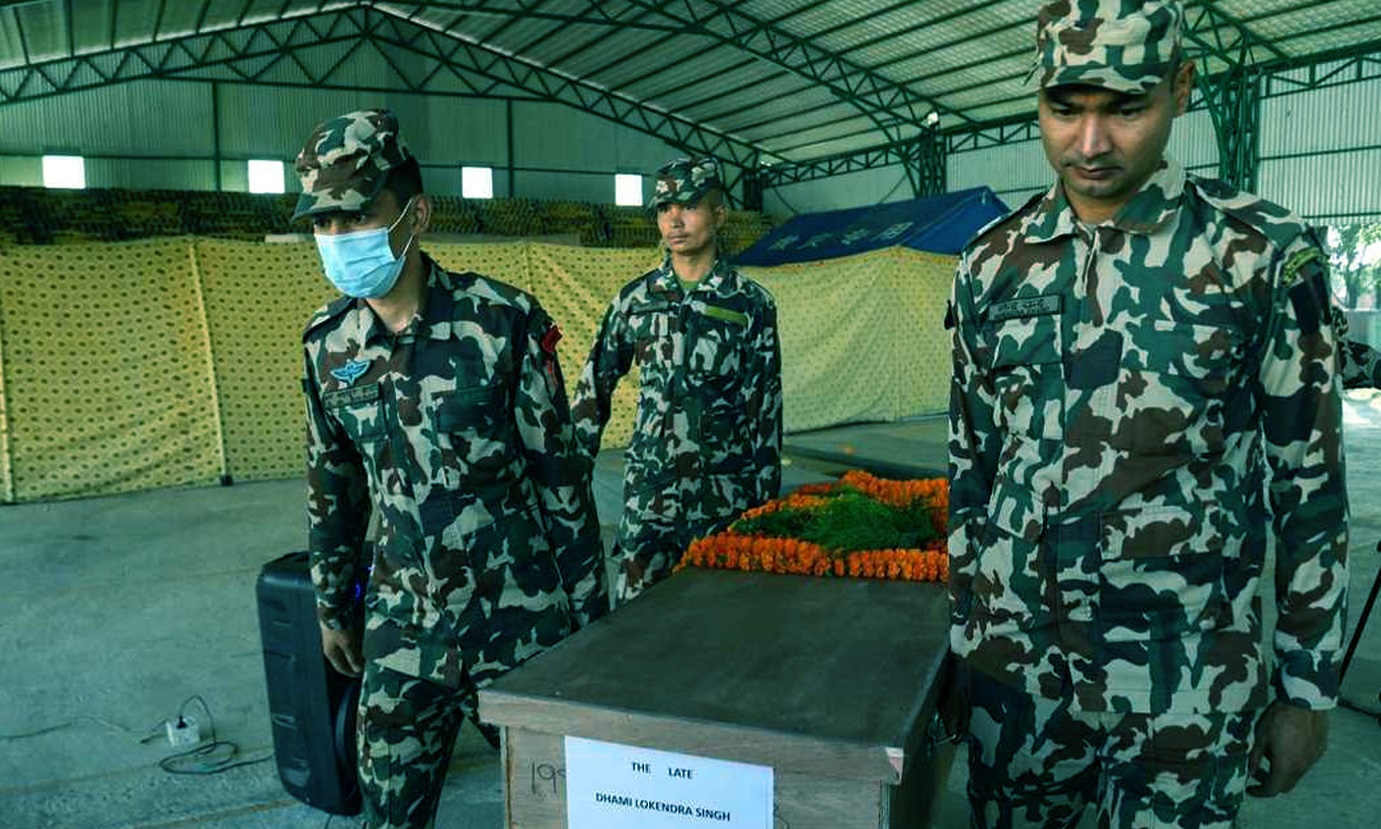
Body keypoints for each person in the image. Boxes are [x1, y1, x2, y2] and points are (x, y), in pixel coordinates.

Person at [944, 2, 1350, 827]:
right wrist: (962, 642)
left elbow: (1308, 490)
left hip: (1186, 685)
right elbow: (971, 472)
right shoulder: (990, 264)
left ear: (1181, 88)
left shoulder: (1257, 256)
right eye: (1065, 108)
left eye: (1125, 108)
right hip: (1016, 676)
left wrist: (1306, 691)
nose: (1089, 142)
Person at [296, 108, 605, 829]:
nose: (339, 238)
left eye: (357, 215)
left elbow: (560, 479)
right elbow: (332, 485)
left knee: (564, 811)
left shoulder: (502, 321)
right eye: (323, 223)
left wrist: (592, 622)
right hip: (402, 626)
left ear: (415, 213)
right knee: (387, 812)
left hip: (521, 621)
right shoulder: (327, 345)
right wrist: (332, 605)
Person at [571, 156, 783, 602]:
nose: (674, 220)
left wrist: (764, 505)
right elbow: (594, 388)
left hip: (723, 497)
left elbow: (765, 408)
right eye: (664, 209)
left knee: (725, 617)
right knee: (635, 622)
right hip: (650, 496)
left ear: (719, 215)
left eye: (688, 206)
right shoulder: (635, 300)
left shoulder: (749, 304)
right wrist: (570, 475)